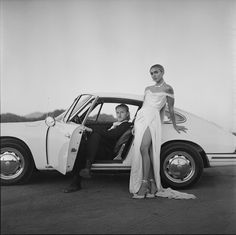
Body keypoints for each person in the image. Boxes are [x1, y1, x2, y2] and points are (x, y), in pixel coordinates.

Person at [129, 64, 196, 199]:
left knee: (144, 148)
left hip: (152, 118)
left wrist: (175, 125)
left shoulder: (168, 88)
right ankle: (153, 185)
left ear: (162, 72)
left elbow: (170, 109)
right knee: (145, 150)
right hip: (141, 118)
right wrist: (135, 124)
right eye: (152, 73)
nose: (154, 75)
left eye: (156, 72)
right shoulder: (147, 88)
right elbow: (143, 106)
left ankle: (144, 184)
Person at [64, 103, 132, 193]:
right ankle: (78, 180)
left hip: (109, 152)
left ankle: (84, 172)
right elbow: (105, 131)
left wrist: (92, 130)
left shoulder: (125, 125)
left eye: (122, 112)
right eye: (117, 112)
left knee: (95, 135)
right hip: (103, 148)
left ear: (127, 113)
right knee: (82, 148)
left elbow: (111, 135)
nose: (119, 115)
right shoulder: (117, 124)